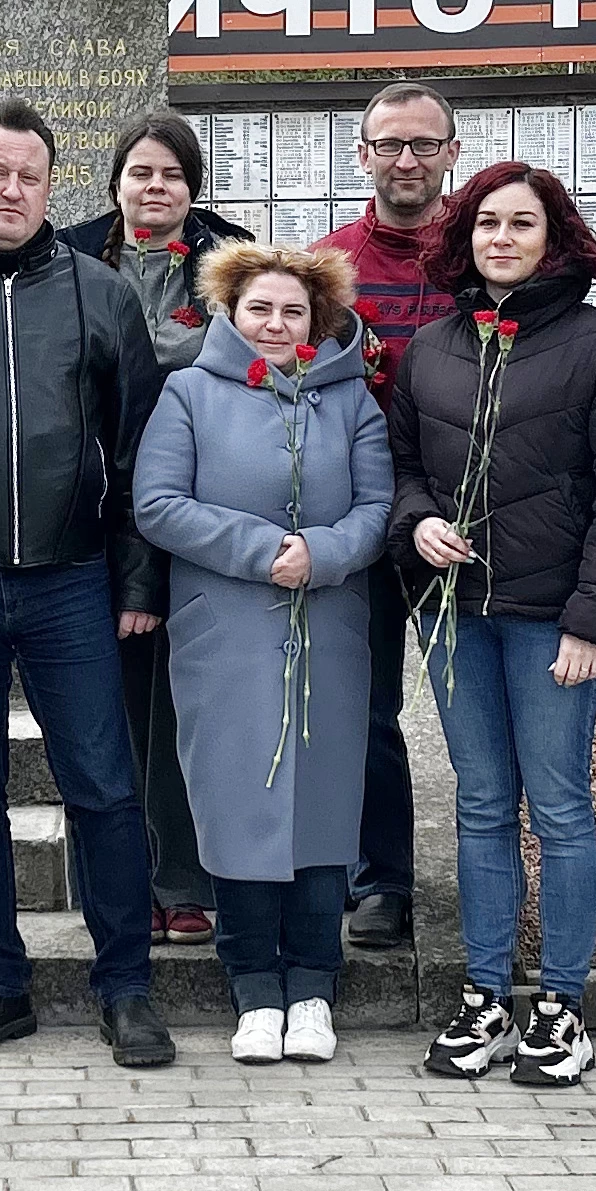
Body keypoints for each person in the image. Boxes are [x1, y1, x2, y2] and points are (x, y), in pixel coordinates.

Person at [0, 101, 176, 1070]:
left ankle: (126, 987)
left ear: (50, 188)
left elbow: (139, 450)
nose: (11, 190)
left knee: (101, 786)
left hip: (72, 585)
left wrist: (137, 579)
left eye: (29, 176)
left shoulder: (101, 295)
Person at [388, 161, 596, 1089]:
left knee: (561, 807)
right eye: (487, 223)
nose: (502, 239)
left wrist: (595, 621)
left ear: (556, 239)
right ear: (463, 237)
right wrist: (417, 521)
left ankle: (562, 1006)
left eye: (523, 224)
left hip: (554, 622)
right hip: (459, 616)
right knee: (480, 805)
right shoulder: (433, 348)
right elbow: (403, 466)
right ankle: (487, 995)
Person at [131, 242, 391, 1066]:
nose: (276, 324)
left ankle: (313, 984)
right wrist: (261, 547)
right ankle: (252, 986)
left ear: (317, 322)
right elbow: (158, 502)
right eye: (259, 309)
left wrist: (323, 550)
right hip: (227, 631)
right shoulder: (188, 393)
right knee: (238, 803)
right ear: (230, 314)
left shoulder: (352, 403)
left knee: (321, 806)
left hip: (329, 625)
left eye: (293, 311)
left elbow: (379, 503)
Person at [65, 111, 249, 951]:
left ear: (193, 187)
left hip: (199, 514)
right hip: (92, 515)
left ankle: (185, 881)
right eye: (141, 172)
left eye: (172, 174)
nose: (156, 188)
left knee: (187, 709)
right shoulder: (67, 256)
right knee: (108, 711)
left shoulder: (232, 260)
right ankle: (116, 882)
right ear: (116, 183)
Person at [318, 82, 465, 951]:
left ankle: (493, 882)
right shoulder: (328, 261)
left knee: (473, 710)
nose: (405, 160)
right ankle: (379, 879)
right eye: (389, 145)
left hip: (465, 519)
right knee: (359, 708)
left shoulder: (487, 251)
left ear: (452, 151)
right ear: (362, 154)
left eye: (423, 144)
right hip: (363, 517)